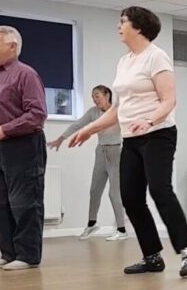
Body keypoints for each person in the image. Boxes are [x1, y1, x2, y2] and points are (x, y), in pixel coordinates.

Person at [70, 7, 187, 278]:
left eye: (123, 22)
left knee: (160, 190)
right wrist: (91, 128)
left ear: (139, 27)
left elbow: (168, 100)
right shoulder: (124, 62)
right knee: (130, 196)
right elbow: (118, 108)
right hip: (131, 138)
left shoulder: (156, 57)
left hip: (158, 135)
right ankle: (152, 256)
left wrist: (150, 121)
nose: (118, 26)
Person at [0, 25, 48, 271]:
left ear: (12, 46)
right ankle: (8, 253)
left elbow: (37, 114)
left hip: (23, 145)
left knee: (25, 202)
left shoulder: (26, 75)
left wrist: (6, 129)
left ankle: (27, 256)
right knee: (0, 203)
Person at [49, 85, 128, 241]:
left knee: (114, 193)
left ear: (107, 95)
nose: (94, 99)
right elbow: (77, 124)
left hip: (116, 153)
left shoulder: (117, 111)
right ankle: (92, 224)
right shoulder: (93, 112)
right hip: (101, 152)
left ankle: (122, 230)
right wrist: (61, 139)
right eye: (93, 96)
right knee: (94, 190)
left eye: (97, 95)